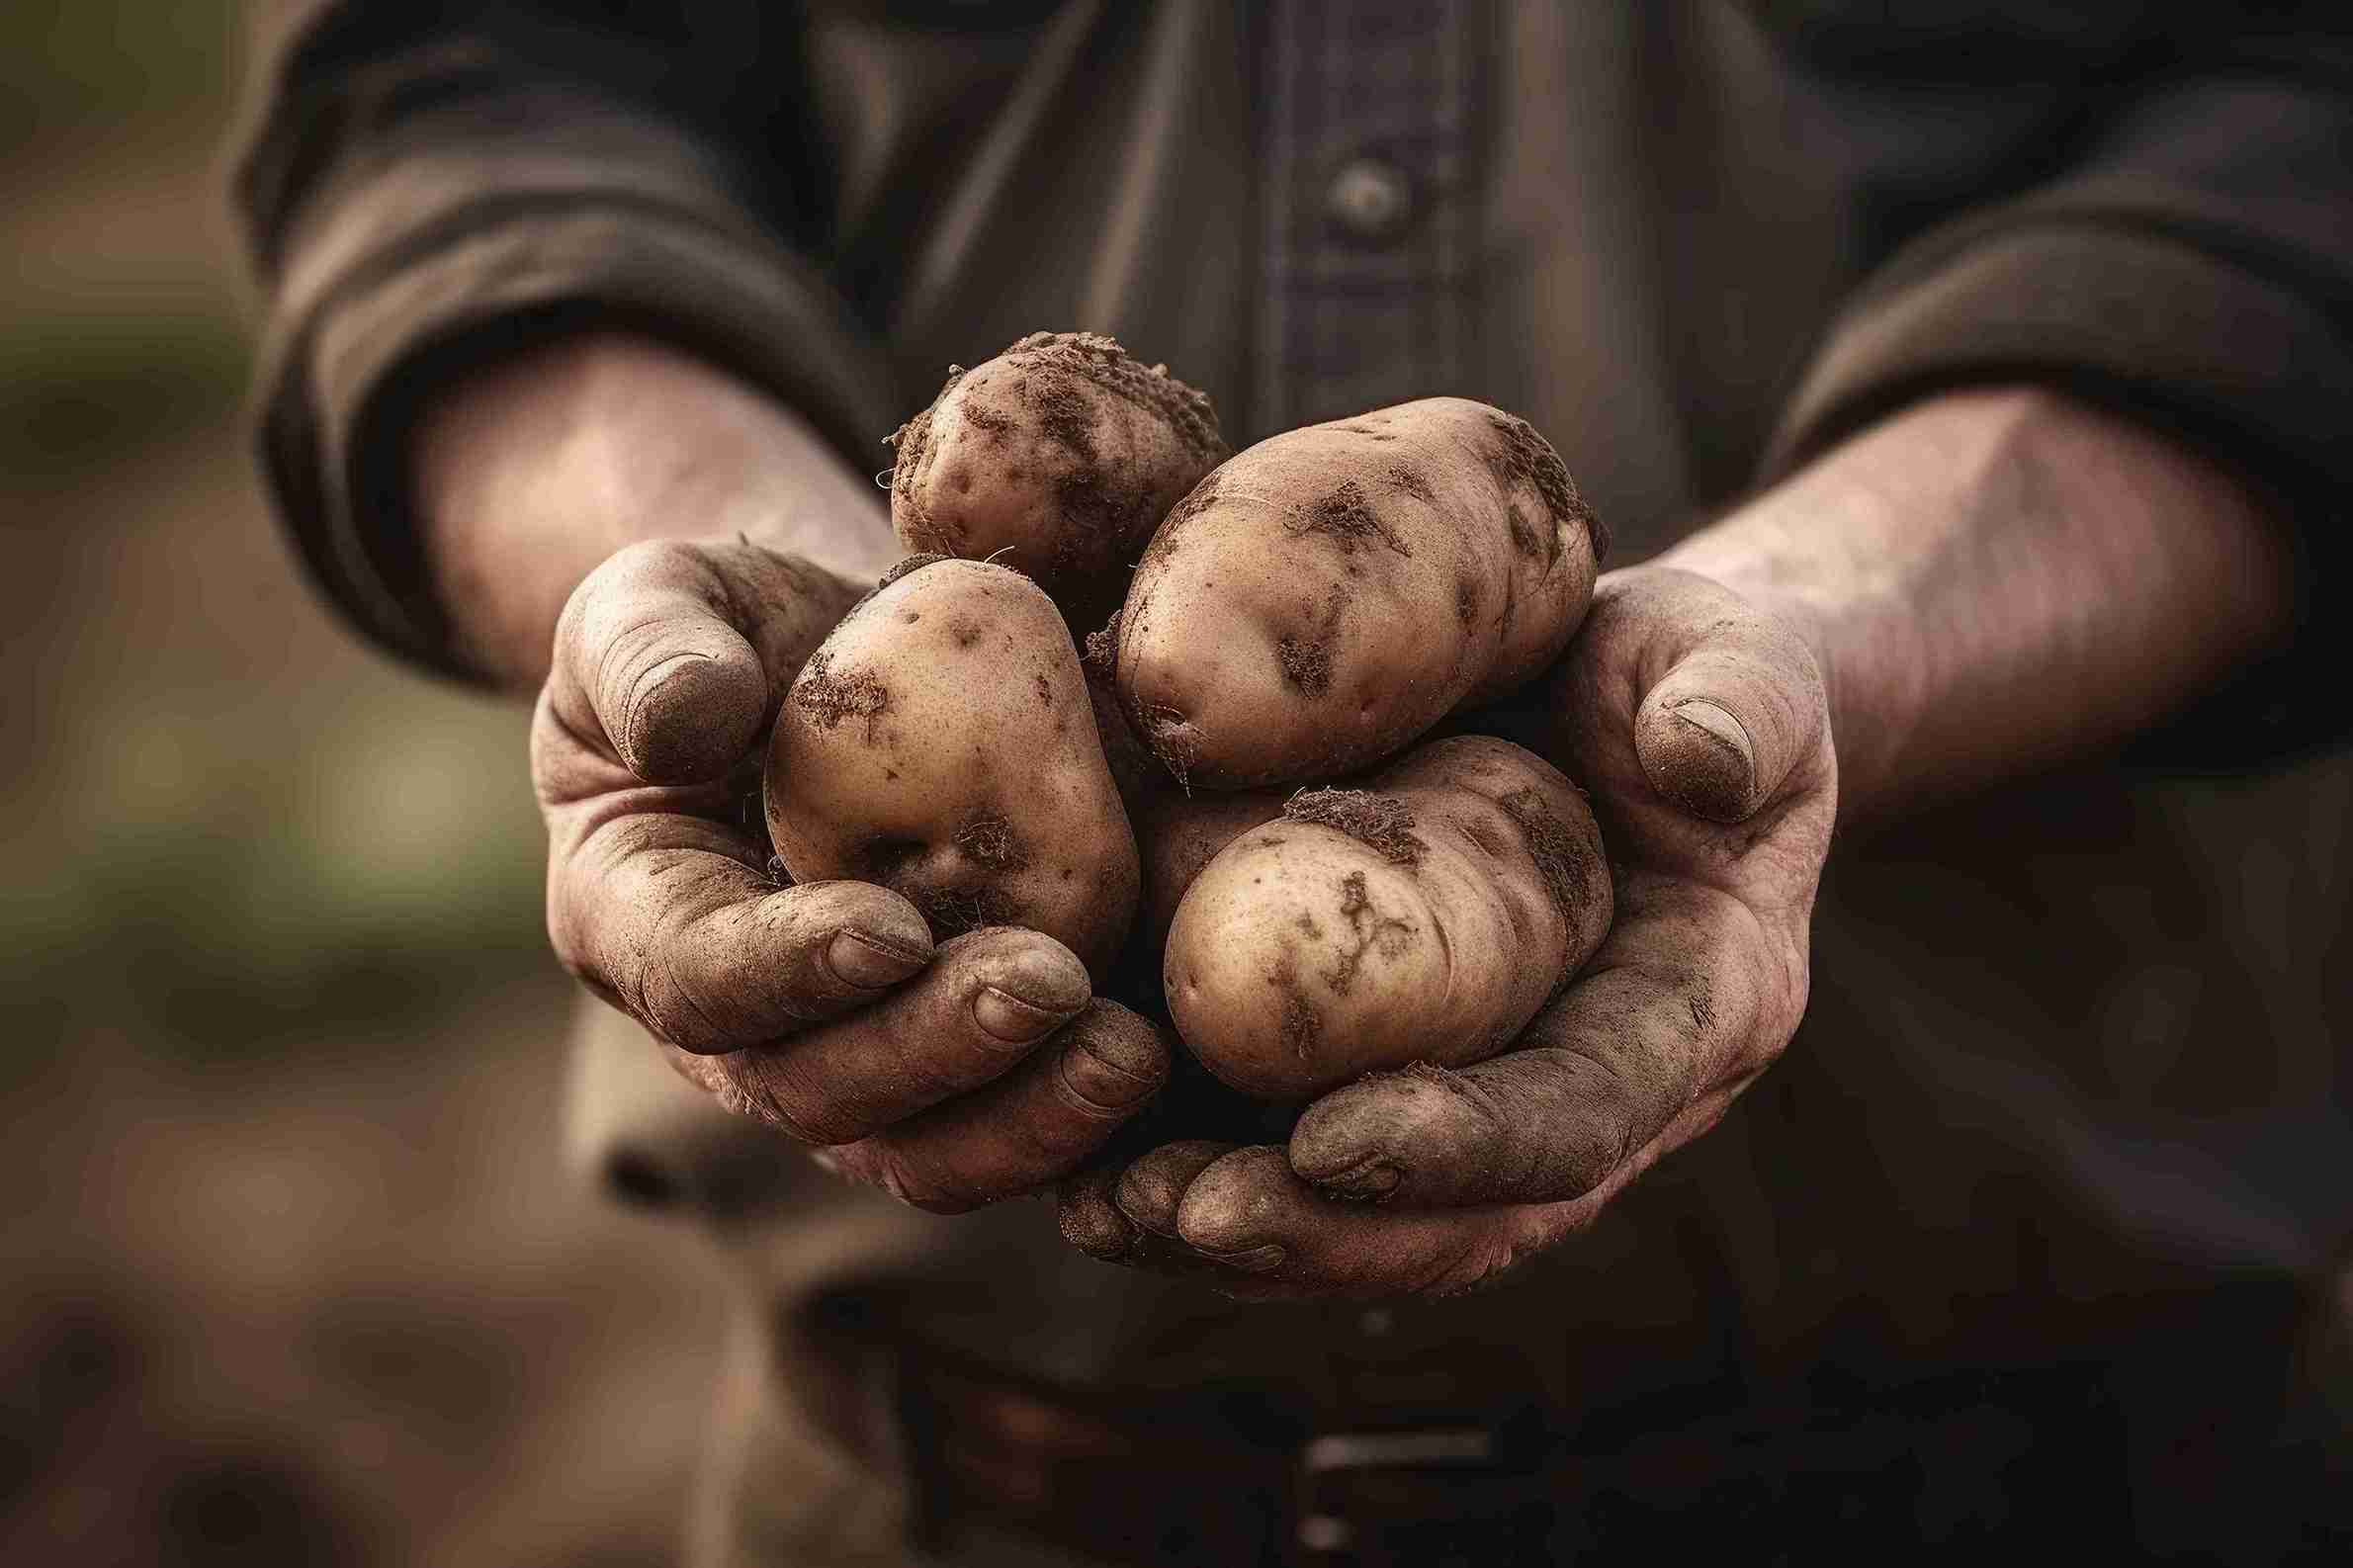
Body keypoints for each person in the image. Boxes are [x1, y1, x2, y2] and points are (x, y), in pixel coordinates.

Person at [234, 3, 2353, 1560]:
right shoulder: (1033, 644)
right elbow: (462, 82)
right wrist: (704, 578)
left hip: (2084, 1471)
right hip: (924, 1494)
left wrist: (1811, 639)